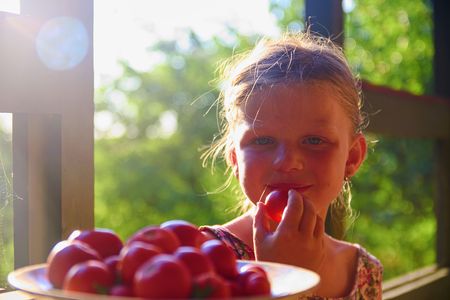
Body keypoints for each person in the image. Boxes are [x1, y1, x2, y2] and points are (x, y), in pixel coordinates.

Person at [200, 32, 383, 299]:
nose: (287, 162)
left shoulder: (363, 270)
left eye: (314, 140)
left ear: (352, 158)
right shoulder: (207, 260)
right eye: (263, 140)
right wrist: (286, 278)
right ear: (236, 159)